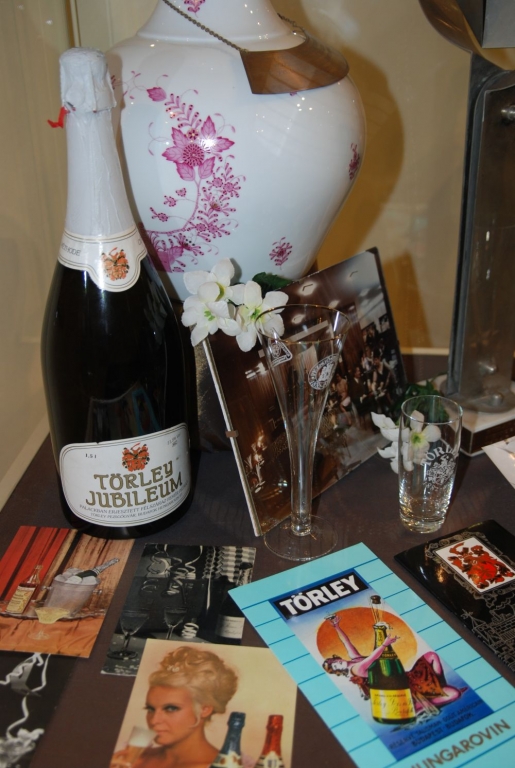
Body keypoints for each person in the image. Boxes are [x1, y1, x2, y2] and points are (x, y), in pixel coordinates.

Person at [110, 646, 238, 768]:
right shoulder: (133, 759)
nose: (154, 720)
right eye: (151, 709)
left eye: (170, 709)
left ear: (204, 710)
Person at [323, 615, 465, 713]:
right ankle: (418, 707)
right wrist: (384, 644)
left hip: (407, 676)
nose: (337, 663)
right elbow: (372, 658)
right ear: (338, 671)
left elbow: (346, 641)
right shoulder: (356, 669)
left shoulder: (354, 658)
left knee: (431, 656)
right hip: (402, 687)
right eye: (335, 666)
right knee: (455, 694)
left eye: (335, 661)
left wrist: (337, 627)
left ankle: (439, 686)